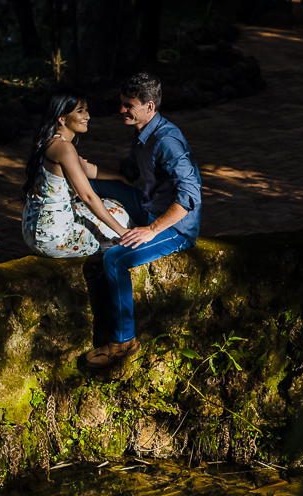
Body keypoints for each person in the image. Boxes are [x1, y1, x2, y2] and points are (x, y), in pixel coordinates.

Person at [75, 73, 203, 369]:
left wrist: (151, 230)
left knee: (116, 259)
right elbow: (129, 171)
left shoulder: (167, 141)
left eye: (127, 105)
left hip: (175, 227)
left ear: (149, 106)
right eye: (121, 103)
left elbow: (191, 194)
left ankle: (124, 341)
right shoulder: (143, 132)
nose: (121, 110)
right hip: (146, 202)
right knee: (84, 183)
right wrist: (79, 165)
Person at [21, 89, 130, 258]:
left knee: (113, 207)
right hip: (52, 238)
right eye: (80, 111)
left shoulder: (52, 142)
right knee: (119, 236)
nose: (87, 116)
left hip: (34, 230)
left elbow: (87, 168)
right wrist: (123, 232)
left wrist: (120, 177)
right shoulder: (64, 148)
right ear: (62, 118)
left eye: (86, 109)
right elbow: (87, 196)